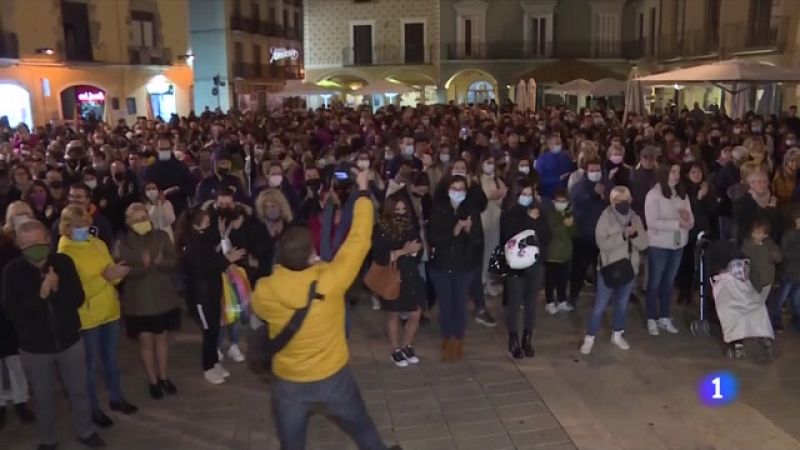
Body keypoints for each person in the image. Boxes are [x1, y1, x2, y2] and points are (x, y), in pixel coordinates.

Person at [251, 170, 400, 450]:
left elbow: (259, 310)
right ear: (311, 254)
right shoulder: (330, 280)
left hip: (289, 382)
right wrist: (364, 192)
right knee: (361, 427)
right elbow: (358, 239)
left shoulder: (265, 290)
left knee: (292, 443)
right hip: (332, 377)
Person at [2, 220, 105, 449]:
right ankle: (48, 439)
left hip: (69, 341)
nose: (35, 247)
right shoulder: (13, 271)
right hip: (35, 348)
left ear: (48, 240)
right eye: (28, 244)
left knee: (79, 392)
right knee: (43, 397)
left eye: (40, 242)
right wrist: (41, 295)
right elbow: (13, 313)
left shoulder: (63, 262)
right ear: (19, 244)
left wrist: (56, 290)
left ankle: (85, 431)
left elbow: (77, 298)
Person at [56, 205, 137, 428]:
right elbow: (72, 291)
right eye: (79, 225)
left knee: (111, 360)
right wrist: (104, 278)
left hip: (110, 311)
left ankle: (116, 398)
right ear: (67, 227)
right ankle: (92, 409)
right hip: (87, 316)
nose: (84, 228)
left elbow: (110, 273)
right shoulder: (65, 254)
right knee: (89, 366)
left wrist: (117, 276)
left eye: (86, 224)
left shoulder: (99, 244)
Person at [115, 203, 181, 399]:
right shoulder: (123, 243)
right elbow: (123, 271)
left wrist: (161, 263)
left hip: (163, 297)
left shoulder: (161, 236)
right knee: (146, 341)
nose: (141, 222)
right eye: (136, 220)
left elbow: (174, 260)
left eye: (143, 218)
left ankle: (164, 376)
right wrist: (142, 267)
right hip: (139, 301)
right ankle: (153, 381)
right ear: (129, 222)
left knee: (162, 339)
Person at [177, 207, 244, 385]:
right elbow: (204, 268)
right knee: (209, 333)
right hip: (201, 298)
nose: (209, 225)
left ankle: (214, 362)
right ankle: (208, 367)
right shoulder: (191, 244)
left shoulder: (203, 239)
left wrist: (224, 235)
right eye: (206, 222)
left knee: (215, 330)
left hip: (213, 293)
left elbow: (213, 258)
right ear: (195, 225)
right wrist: (227, 259)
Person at [581, 187, 648, 354]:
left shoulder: (635, 218)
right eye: (619, 201)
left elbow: (644, 243)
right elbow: (602, 244)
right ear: (612, 202)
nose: (623, 204)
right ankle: (589, 337)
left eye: (626, 200)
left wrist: (634, 236)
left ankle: (617, 334)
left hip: (629, 268)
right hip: (609, 268)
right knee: (600, 306)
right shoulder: (605, 218)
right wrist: (622, 236)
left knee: (622, 304)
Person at [427, 175, 482, 361]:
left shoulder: (471, 210)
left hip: (463, 266)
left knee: (460, 305)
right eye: (454, 189)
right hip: (441, 266)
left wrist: (467, 232)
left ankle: (458, 339)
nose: (458, 193)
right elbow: (433, 237)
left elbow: (477, 240)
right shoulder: (439, 209)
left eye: (461, 189)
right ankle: (447, 339)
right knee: (445, 305)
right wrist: (454, 231)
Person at [500, 178, 551, 358]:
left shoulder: (539, 211)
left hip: (535, 264)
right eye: (524, 194)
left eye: (530, 194)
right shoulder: (509, 212)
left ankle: (527, 338)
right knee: (514, 302)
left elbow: (546, 236)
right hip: (515, 264)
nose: (528, 197)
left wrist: (536, 221)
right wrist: (529, 221)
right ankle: (513, 338)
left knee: (531, 303)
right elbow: (509, 236)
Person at [372, 195, 425, 367]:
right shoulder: (381, 228)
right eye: (397, 210)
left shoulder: (410, 224)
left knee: (416, 312)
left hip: (410, 273)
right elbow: (380, 257)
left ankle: (407, 345)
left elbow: (417, 246)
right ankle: (396, 350)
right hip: (391, 275)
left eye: (403, 210)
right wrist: (403, 251)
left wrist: (416, 249)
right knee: (393, 314)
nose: (401, 213)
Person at [644, 164, 694, 335]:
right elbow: (651, 222)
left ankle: (665, 316)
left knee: (669, 282)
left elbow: (690, 218)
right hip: (659, 244)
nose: (676, 175)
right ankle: (651, 317)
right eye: (673, 171)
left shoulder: (681, 194)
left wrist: (687, 222)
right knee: (655, 282)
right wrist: (676, 224)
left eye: (678, 172)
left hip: (677, 244)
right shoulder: (654, 194)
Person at [0, 226, 34, 429]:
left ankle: (21, 399)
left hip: (9, 312)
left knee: (14, 361)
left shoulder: (9, 248)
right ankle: (1, 402)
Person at [568, 157, 608, 306]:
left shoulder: (605, 184)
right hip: (584, 235)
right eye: (592, 170)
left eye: (598, 170)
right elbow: (578, 200)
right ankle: (573, 296)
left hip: (602, 235)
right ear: (586, 171)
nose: (596, 173)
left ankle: (601, 297)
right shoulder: (579, 186)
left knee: (602, 270)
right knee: (579, 269)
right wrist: (595, 196)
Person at [50, 183, 114, 250]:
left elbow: (107, 248)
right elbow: (54, 250)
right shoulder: (59, 223)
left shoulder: (102, 223)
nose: (74, 200)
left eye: (78, 197)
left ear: (88, 199)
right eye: (71, 196)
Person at [477, 155, 507, 297]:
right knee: (482, 252)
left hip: (495, 220)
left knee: (491, 251)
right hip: (483, 220)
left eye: (493, 162)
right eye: (487, 162)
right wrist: (496, 194)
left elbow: (502, 195)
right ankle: (481, 282)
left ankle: (487, 280)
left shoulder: (496, 179)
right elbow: (488, 195)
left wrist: (498, 194)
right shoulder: (478, 179)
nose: (491, 165)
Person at [144, 134, 194, 217]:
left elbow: (190, 188)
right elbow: (144, 189)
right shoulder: (150, 169)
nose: (164, 151)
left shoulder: (181, 167)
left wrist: (177, 189)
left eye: (166, 149)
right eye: (161, 149)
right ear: (156, 149)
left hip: (178, 210)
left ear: (171, 149)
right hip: (158, 211)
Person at [741, 219, 782, 315]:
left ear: (765, 235)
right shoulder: (747, 245)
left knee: (761, 304)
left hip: (767, 281)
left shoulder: (769, 245)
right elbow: (744, 260)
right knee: (753, 304)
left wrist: (766, 251)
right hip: (753, 281)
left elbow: (779, 257)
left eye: (759, 233)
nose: (755, 235)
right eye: (754, 232)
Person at [544, 189, 575, 314]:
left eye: (564, 201)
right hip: (552, 253)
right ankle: (549, 301)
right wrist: (565, 225)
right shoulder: (550, 215)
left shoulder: (569, 215)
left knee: (563, 279)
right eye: (558, 201)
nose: (561, 203)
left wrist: (571, 226)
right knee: (550, 279)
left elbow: (574, 234)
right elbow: (552, 231)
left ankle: (562, 300)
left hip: (565, 254)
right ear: (553, 202)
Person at [777, 209, 800, 331]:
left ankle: (797, 319)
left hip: (796, 271)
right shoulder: (789, 234)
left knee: (796, 297)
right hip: (790, 270)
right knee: (782, 296)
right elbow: (784, 253)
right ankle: (775, 320)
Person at [535, 133, 574, 198]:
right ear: (549, 145)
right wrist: (557, 179)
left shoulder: (566, 157)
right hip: (547, 193)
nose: (559, 145)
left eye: (560, 143)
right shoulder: (542, 159)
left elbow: (570, 171)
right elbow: (538, 178)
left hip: (563, 194)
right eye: (557, 143)